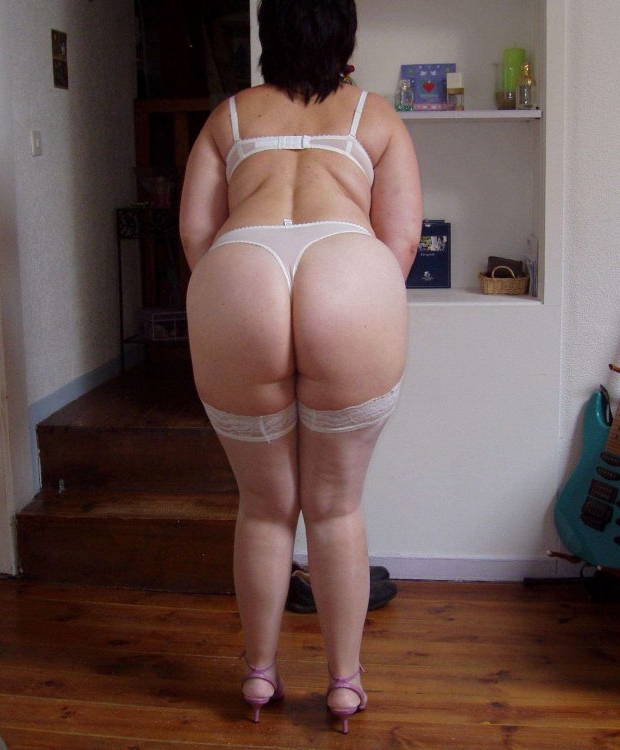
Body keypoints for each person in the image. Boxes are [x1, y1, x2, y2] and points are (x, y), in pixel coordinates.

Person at [178, 0, 422, 733]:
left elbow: (195, 233)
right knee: (336, 505)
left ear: (268, 35)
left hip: (239, 271)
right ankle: (344, 685)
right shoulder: (376, 117)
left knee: (264, 504)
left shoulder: (228, 117)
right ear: (346, 36)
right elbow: (402, 241)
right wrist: (358, 300)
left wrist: (234, 296)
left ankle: (259, 674)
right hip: (348, 271)